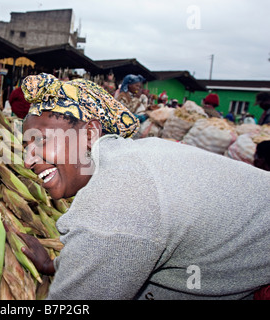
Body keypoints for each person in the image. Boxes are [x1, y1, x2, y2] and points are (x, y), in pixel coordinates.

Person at [18, 72, 270, 300]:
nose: (28, 160)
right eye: (27, 147)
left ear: (89, 134)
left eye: (41, 141)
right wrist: (55, 265)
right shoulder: (132, 157)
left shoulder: (117, 201)